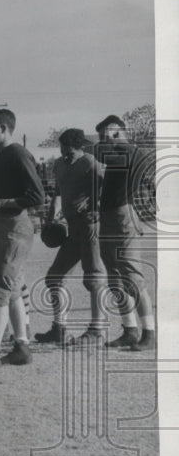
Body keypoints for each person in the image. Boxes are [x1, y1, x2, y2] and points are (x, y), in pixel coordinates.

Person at [0, 109, 45, 368]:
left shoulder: (18, 154)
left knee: (0, 287)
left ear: (4, 128)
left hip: (14, 228)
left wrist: (2, 203)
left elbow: (37, 196)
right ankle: (21, 346)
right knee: (13, 286)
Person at [34, 128, 108, 345]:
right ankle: (59, 328)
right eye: (63, 151)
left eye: (70, 153)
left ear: (81, 148)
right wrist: (50, 218)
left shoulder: (91, 163)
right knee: (54, 277)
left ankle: (97, 329)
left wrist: (98, 209)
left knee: (94, 278)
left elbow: (111, 188)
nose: (66, 156)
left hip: (89, 226)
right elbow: (58, 193)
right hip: (72, 228)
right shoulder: (59, 164)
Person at [94, 115, 156, 351]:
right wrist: (109, 139)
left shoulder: (133, 151)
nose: (103, 139)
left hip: (123, 215)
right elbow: (98, 152)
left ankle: (149, 333)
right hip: (108, 215)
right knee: (115, 276)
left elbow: (98, 151)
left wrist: (113, 138)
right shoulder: (115, 153)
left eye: (107, 133)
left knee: (132, 275)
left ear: (119, 131)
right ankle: (130, 330)